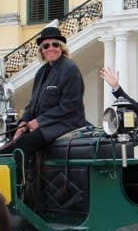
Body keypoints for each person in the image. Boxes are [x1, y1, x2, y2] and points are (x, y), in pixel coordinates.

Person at [10, 26, 86, 161]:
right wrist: (23, 123)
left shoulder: (70, 69)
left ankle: (23, 182)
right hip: (46, 124)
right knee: (9, 146)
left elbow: (69, 106)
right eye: (46, 46)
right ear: (41, 51)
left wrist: (40, 121)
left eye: (55, 44)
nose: (51, 48)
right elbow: (32, 104)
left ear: (61, 48)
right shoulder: (41, 72)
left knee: (23, 147)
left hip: (66, 123)